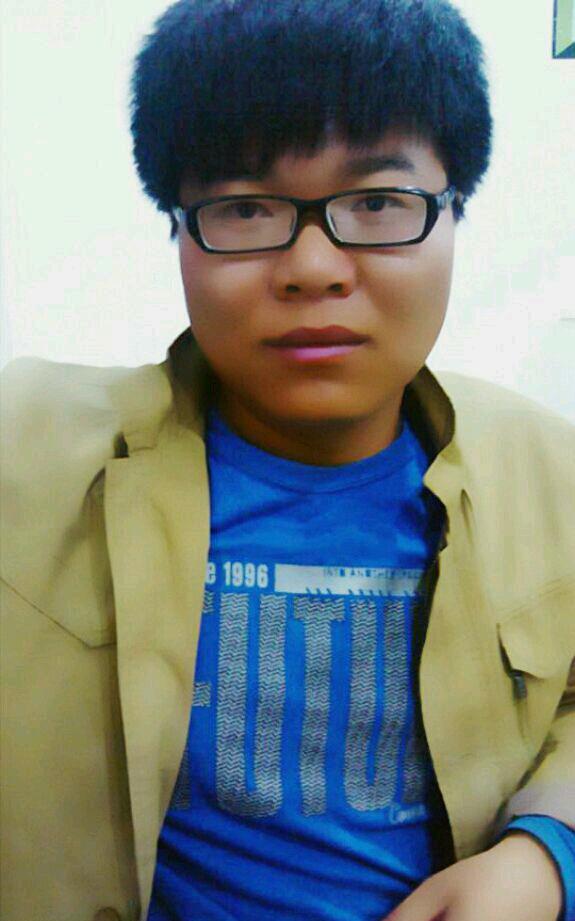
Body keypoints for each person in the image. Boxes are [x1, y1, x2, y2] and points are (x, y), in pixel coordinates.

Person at [1, 0, 574, 919]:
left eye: (376, 202)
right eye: (245, 207)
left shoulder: (551, 474)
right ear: (177, 229)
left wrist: (546, 850)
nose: (313, 266)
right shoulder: (25, 454)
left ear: (454, 210)